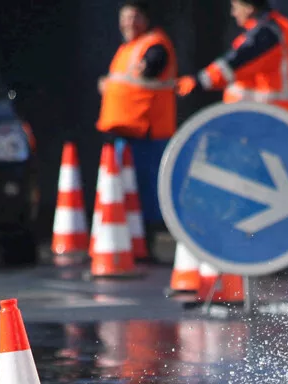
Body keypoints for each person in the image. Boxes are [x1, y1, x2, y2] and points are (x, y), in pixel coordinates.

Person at [97, 1, 177, 258]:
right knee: (127, 192)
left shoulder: (154, 44)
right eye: (125, 17)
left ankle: (145, 244)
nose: (129, 23)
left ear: (146, 19)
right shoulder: (127, 49)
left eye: (135, 17)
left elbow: (153, 65)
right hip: (127, 134)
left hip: (147, 134)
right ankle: (132, 243)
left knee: (144, 194)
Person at [176, 0, 288, 117]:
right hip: (274, 118)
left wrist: (198, 81)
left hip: (264, 121)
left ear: (249, 8)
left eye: (235, 7)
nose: (233, 13)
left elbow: (235, 63)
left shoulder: (265, 35)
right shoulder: (280, 28)